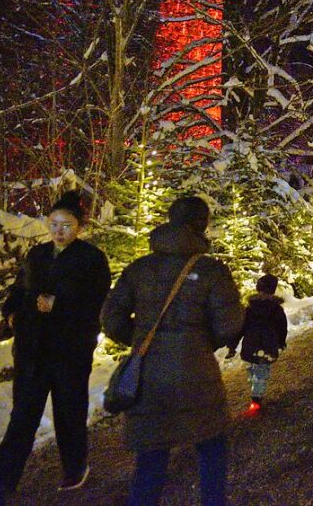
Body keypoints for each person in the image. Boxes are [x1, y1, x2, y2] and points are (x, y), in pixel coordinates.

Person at [101, 195, 243, 506]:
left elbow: (111, 319)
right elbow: (230, 323)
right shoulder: (211, 270)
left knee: (151, 458)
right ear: (202, 225)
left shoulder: (139, 269)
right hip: (197, 371)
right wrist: (203, 342)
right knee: (211, 447)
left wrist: (140, 340)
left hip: (149, 373)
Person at [0, 191, 111, 506]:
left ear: (79, 226)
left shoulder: (91, 259)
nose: (59, 230)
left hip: (70, 352)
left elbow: (99, 304)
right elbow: (19, 288)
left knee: (69, 413)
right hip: (32, 351)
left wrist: (60, 303)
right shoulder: (36, 255)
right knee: (23, 416)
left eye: (67, 224)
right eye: (53, 224)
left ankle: (75, 467)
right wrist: (10, 313)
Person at [228, 273, 288, 417]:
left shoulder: (249, 309)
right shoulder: (277, 310)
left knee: (252, 368)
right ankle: (257, 398)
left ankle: (255, 390)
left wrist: (232, 346)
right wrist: (281, 342)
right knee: (263, 370)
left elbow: (240, 329)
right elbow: (282, 328)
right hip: (268, 346)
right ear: (273, 290)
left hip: (251, 345)